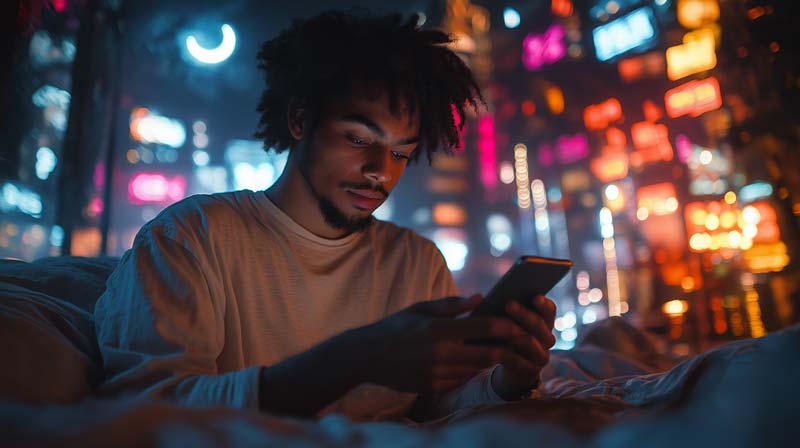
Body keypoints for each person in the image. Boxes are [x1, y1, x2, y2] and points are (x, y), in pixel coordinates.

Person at [94, 10, 557, 422]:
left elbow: (435, 406)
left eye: (400, 152)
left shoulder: (416, 260)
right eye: (358, 140)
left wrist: (508, 379)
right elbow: (149, 408)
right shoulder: (192, 237)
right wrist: (357, 356)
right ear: (300, 119)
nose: (380, 171)